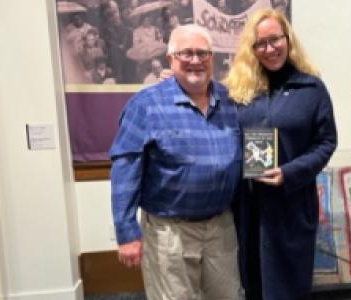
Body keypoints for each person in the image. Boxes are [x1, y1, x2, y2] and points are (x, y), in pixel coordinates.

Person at [109, 24, 242, 300]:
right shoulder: (146, 104)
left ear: (212, 58)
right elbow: (125, 168)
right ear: (171, 59)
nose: (195, 61)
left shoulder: (231, 101)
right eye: (186, 53)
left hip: (221, 228)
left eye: (202, 54)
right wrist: (126, 232)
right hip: (169, 232)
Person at [222, 9, 338, 300]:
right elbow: (201, 97)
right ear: (252, 49)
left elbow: (326, 142)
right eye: (260, 43)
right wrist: (173, 79)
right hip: (247, 206)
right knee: (250, 283)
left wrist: (291, 172)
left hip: (292, 205)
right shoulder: (237, 90)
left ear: (288, 39)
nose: (270, 48)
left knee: (289, 286)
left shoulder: (311, 88)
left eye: (275, 39)